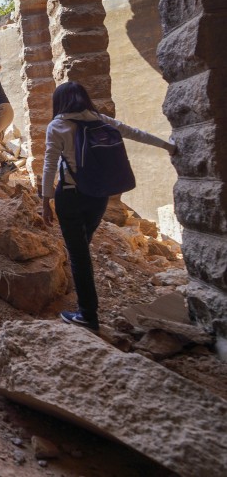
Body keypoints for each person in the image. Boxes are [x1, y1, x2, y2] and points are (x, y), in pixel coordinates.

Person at [40, 82, 176, 331]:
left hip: (70, 195)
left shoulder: (58, 125)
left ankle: (87, 315)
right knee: (81, 248)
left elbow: (50, 164)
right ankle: (81, 286)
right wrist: (169, 146)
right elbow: (135, 133)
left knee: (79, 255)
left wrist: (44, 200)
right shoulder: (100, 120)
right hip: (98, 195)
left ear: (59, 101)